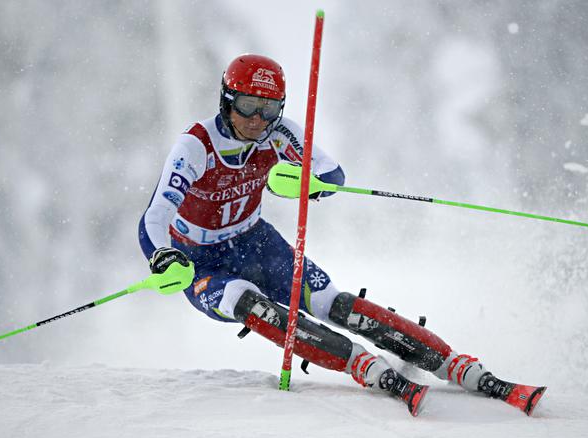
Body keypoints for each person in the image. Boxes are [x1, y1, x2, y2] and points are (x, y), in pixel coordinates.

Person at [138, 54, 545, 417]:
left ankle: (457, 365)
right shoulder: (196, 145)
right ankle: (362, 365)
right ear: (227, 99)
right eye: (248, 106)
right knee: (249, 303)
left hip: (255, 242)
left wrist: (305, 182)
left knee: (334, 302)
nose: (258, 120)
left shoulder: (279, 134)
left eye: (270, 109)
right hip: (202, 261)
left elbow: (332, 175)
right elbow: (153, 218)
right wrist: (163, 257)